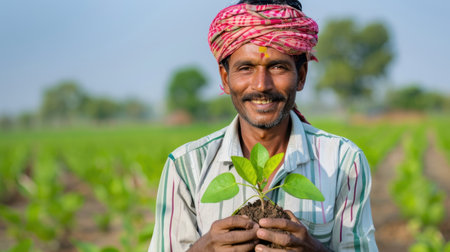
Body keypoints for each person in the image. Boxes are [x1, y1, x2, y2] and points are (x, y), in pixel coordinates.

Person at [149, 0, 377, 251]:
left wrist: (314, 249)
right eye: (245, 68)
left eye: (278, 67)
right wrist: (202, 249)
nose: (261, 85)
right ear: (225, 79)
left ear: (301, 76)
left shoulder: (345, 163)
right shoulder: (186, 167)